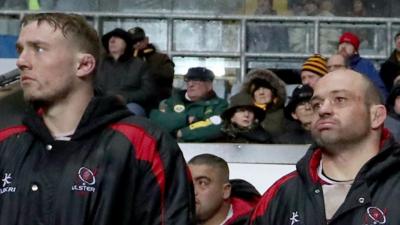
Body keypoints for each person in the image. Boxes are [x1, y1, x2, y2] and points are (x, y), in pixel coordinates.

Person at [0, 13, 194, 225]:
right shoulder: (6, 143)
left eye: (38, 49)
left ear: (84, 65)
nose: (21, 61)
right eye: (21, 50)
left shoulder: (144, 145)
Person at [249, 69, 400, 225]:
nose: (323, 110)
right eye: (316, 104)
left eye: (340, 99)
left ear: (376, 116)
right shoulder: (282, 193)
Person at [150, 67, 228, 142]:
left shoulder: (219, 105)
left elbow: (216, 127)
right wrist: (186, 119)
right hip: (172, 149)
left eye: (196, 81)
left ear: (209, 85)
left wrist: (180, 133)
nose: (190, 84)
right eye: (188, 80)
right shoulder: (171, 102)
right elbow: (156, 122)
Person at [95, 28, 155, 116]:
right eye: (109, 39)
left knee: (133, 110)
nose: (112, 41)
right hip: (103, 104)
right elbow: (92, 88)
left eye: (117, 38)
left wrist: (124, 98)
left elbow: (148, 91)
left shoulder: (139, 65)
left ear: (126, 43)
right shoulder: (99, 64)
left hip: (129, 104)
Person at [188, 154, 260, 225]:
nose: (192, 191)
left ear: (226, 191)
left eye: (202, 183)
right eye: (188, 183)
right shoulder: (178, 218)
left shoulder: (255, 222)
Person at [230, 69, 288, 138]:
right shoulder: (241, 114)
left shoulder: (285, 115)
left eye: (266, 88)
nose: (261, 92)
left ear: (274, 91)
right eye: (256, 89)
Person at [128, 26, 175, 109]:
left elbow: (168, 74)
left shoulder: (161, 58)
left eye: (140, 40)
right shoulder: (126, 60)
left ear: (146, 39)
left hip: (158, 102)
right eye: (134, 42)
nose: (138, 44)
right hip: (133, 101)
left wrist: (144, 69)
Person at [337, 31, 388, 98]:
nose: (343, 46)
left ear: (355, 50)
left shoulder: (365, 65)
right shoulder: (332, 63)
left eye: (348, 44)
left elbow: (379, 89)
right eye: (341, 43)